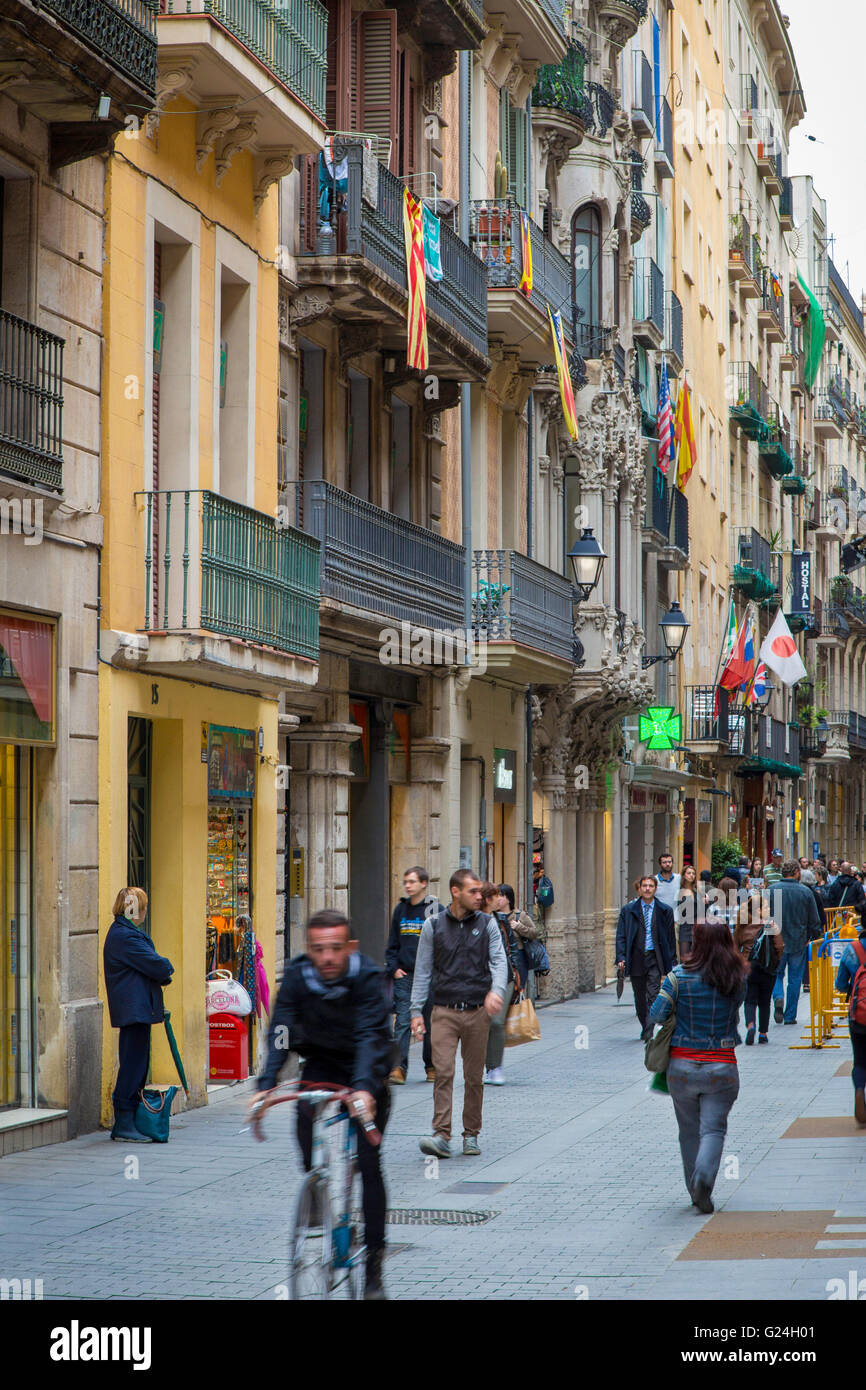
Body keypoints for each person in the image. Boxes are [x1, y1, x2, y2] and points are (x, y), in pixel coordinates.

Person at [251, 908, 393, 1300]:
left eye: (335, 948)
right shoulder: (298, 976)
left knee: (369, 1161)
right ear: (308, 949)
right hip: (322, 1061)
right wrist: (266, 1085)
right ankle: (315, 1186)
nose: (327, 957)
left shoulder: (366, 977)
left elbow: (369, 1035)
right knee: (303, 1111)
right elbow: (280, 1029)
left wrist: (364, 1090)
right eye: (318, 949)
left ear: (349, 947)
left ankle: (375, 1263)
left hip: (368, 1066)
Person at [650, 920, 748, 1213]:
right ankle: (705, 1178)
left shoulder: (677, 977)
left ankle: (695, 1188)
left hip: (681, 1066)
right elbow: (737, 1008)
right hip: (722, 1064)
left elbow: (656, 1014)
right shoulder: (737, 977)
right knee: (714, 1130)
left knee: (688, 1131)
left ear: (697, 943)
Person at [410, 869, 508, 1158]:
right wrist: (416, 1010)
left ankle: (471, 1134)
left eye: (480, 892)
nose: (480, 896)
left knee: (474, 1076)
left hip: (478, 1011)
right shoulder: (433, 926)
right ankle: (441, 1135)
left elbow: (499, 961)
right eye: (473, 891)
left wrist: (496, 991)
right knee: (444, 1072)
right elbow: (423, 970)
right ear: (455, 892)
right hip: (443, 1011)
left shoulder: (487, 924)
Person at [103, 887, 174, 1143]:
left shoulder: (127, 934)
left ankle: (129, 1120)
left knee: (137, 1063)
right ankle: (124, 1122)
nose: (145, 910)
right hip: (134, 1010)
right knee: (133, 1065)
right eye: (142, 906)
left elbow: (154, 967)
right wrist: (164, 968)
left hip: (138, 1009)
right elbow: (158, 965)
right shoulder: (126, 937)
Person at [384, 866, 441, 1084]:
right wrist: (393, 968)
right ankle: (398, 1067)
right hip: (405, 975)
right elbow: (393, 942)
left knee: (430, 1021)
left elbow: (443, 941)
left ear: (424, 884)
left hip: (429, 976)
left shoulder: (433, 908)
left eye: (412, 882)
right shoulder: (401, 909)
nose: (408, 885)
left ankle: (432, 1066)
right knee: (403, 1021)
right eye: (406, 882)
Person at [615, 874, 677, 1043]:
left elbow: (671, 938)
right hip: (635, 957)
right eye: (645, 886)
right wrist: (620, 956)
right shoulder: (628, 911)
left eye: (651, 886)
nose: (648, 889)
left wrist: (672, 961)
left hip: (654, 957)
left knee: (653, 994)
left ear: (655, 889)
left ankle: (649, 1030)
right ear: (639, 889)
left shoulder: (665, 911)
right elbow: (621, 935)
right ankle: (645, 1025)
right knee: (639, 996)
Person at [482, 884, 525, 1086]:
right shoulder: (474, 921)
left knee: (497, 1022)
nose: (498, 899)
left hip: (504, 977)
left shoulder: (501, 921)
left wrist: (517, 975)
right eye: (495, 896)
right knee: (480, 1025)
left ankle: (494, 1067)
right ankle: (481, 1065)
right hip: (480, 979)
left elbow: (512, 949)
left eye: (500, 895)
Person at [770, 860, 822, 1025]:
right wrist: (814, 937)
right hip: (798, 940)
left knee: (776, 974)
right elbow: (814, 920)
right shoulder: (805, 892)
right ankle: (790, 1015)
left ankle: (778, 997)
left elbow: (761, 916)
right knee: (795, 979)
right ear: (797, 872)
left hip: (775, 940)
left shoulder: (771, 890)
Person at [734, 894, 784, 1044]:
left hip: (748, 966)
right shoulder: (769, 924)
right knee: (765, 1001)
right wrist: (777, 961)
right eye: (766, 907)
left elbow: (735, 945)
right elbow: (779, 946)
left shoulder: (743, 924)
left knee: (749, 1000)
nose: (769, 909)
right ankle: (763, 1033)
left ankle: (750, 1025)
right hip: (767, 968)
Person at [834, 923, 866, 1126]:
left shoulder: (852, 949)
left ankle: (859, 1090)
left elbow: (839, 984)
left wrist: (852, 991)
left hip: (859, 1014)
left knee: (860, 1060)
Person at [825, 860, 866, 929]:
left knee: (839, 933)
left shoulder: (835, 884)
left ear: (841, 871)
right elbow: (862, 900)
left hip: (838, 915)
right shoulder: (857, 884)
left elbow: (830, 901)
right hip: (853, 916)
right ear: (850, 871)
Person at [676, 864, 699, 959]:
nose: (691, 875)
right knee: (684, 957)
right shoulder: (679, 891)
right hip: (684, 926)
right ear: (684, 875)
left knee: (696, 957)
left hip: (696, 927)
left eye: (693, 873)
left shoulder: (697, 892)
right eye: (689, 873)